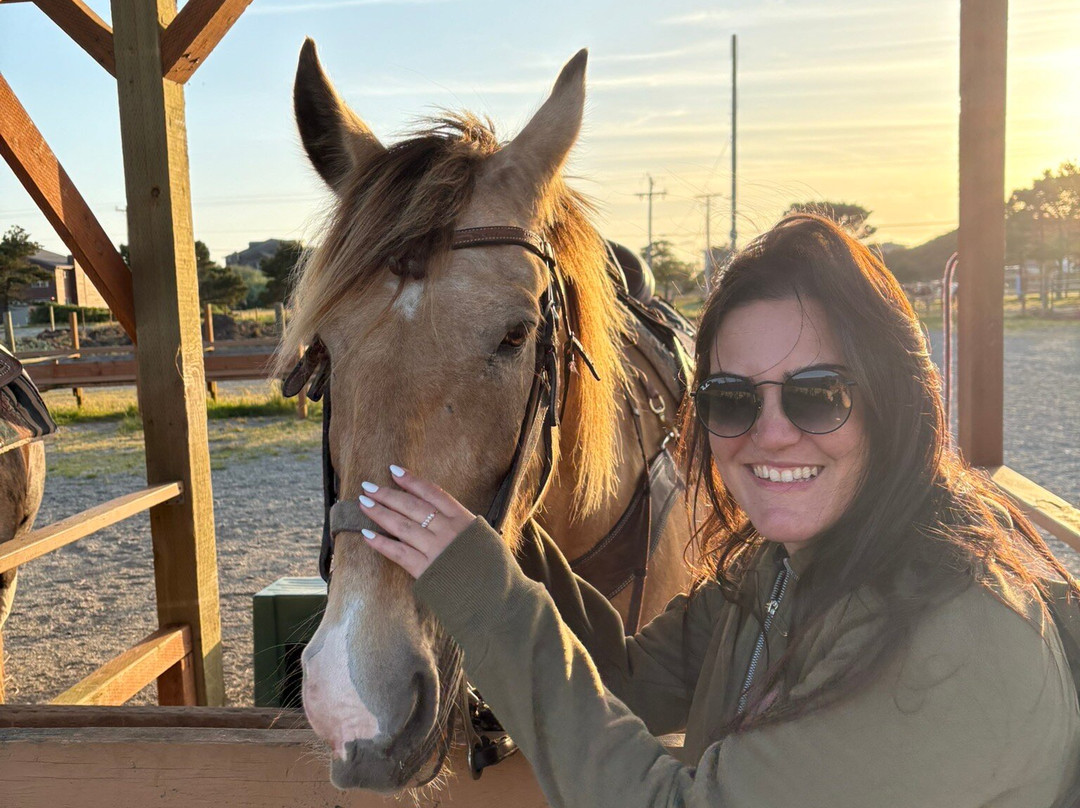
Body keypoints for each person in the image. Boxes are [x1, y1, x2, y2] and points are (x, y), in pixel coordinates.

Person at [356, 214, 1080, 807]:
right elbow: (625, 679)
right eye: (732, 399)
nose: (770, 433)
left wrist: (483, 594)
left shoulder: (947, 641)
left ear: (892, 401)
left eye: (817, 394)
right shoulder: (785, 573)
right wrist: (505, 516)